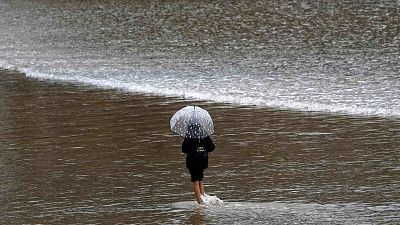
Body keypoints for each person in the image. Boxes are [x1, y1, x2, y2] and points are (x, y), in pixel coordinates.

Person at [182, 124, 215, 204]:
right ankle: (203, 198)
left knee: (196, 181)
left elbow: (184, 149)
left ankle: (200, 203)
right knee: (200, 179)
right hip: (203, 160)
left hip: (193, 161)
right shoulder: (204, 134)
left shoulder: (189, 136)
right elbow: (212, 147)